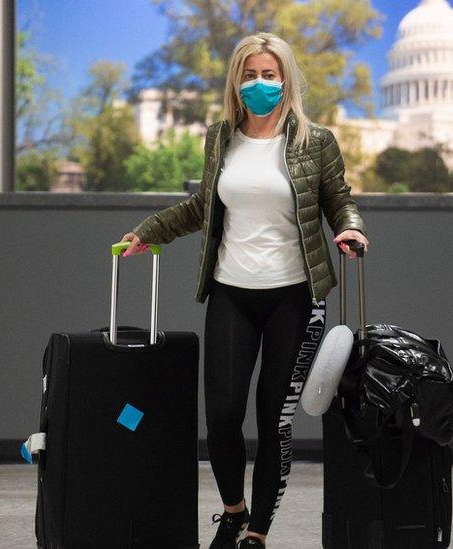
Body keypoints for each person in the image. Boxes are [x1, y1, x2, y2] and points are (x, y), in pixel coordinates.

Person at [121, 32, 368, 549]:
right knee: (224, 415)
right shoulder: (220, 138)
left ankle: (257, 533)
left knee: (272, 418)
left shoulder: (314, 141)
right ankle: (233, 511)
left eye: (269, 74)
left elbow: (336, 199)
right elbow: (200, 208)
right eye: (250, 74)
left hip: (295, 296)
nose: (259, 83)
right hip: (232, 291)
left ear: (286, 80)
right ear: (237, 80)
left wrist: (350, 226)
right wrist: (149, 231)